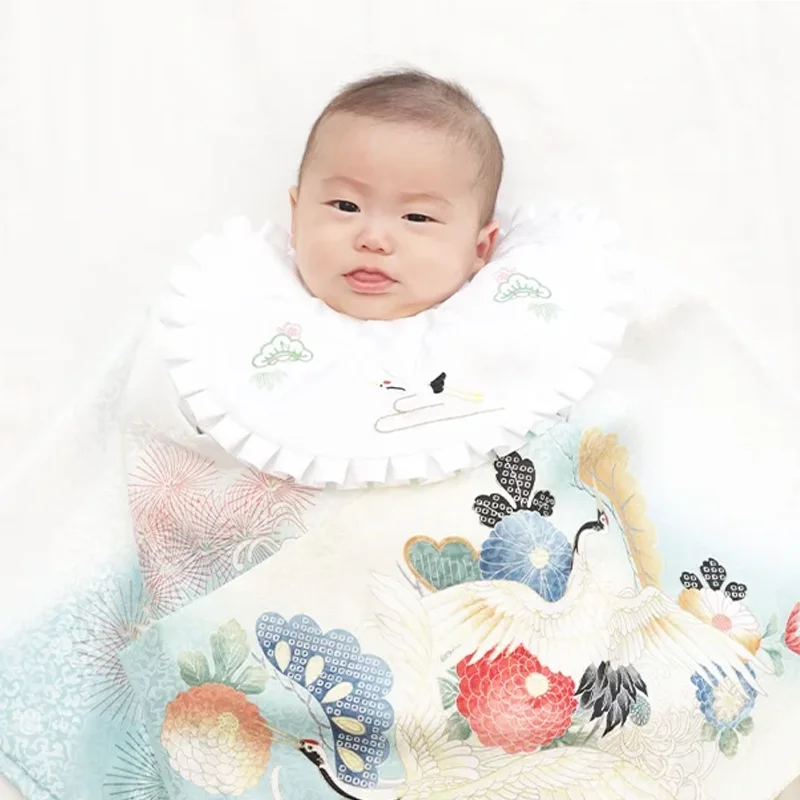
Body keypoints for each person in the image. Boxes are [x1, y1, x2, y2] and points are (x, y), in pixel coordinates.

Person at [287, 68, 504, 320]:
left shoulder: (488, 324)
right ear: (296, 219)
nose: (373, 240)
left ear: (479, 248)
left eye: (417, 217)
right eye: (346, 206)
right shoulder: (260, 295)